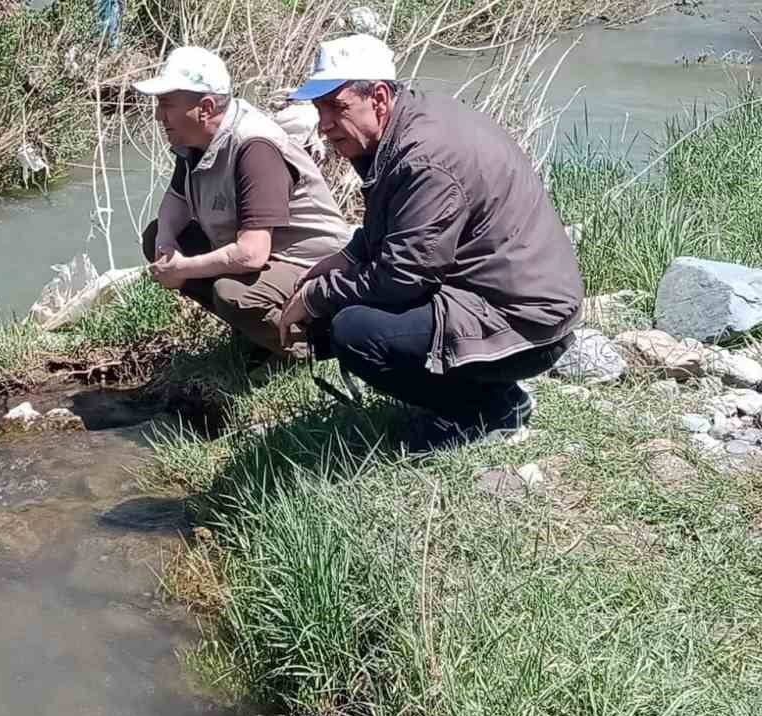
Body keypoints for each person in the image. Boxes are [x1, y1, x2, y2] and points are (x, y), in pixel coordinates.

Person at [277, 34, 584, 451]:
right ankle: (475, 394)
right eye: (319, 108)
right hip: (502, 293)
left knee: (353, 330)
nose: (324, 123)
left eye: (337, 106)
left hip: (527, 323)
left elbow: (403, 276)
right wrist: (345, 259)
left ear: (379, 98)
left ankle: (491, 410)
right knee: (339, 307)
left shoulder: (423, 157)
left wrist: (317, 298)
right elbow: (400, 225)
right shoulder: (406, 124)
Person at [132, 46, 354, 358]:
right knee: (156, 236)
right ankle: (258, 333)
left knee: (233, 294)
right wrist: (168, 244)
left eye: (166, 104)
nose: (159, 115)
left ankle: (316, 348)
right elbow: (177, 197)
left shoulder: (254, 147)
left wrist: (183, 268)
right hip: (265, 256)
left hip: (311, 264)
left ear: (205, 107)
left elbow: (251, 254)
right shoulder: (195, 139)